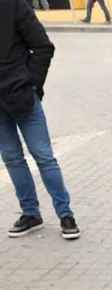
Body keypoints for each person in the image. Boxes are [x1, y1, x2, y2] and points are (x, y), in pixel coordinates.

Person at [1, 0, 80, 240]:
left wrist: (33, 85)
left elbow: (43, 46)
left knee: (43, 156)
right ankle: (31, 214)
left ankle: (66, 215)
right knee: (12, 158)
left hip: (22, 95)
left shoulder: (13, 5)